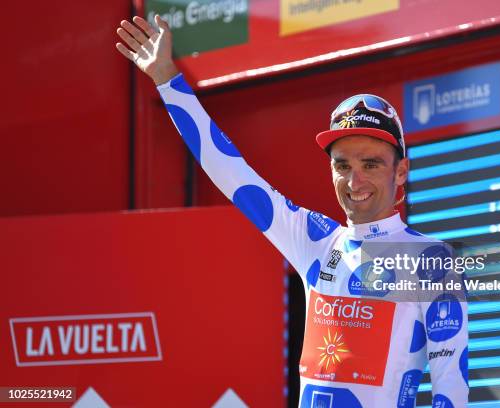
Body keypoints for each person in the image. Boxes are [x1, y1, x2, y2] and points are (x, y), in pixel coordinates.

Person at [116, 15, 468, 408]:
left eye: (371, 164)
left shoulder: (432, 262)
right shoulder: (315, 241)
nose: (355, 181)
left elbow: (450, 385)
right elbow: (233, 174)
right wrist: (168, 80)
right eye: (342, 165)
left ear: (401, 171)